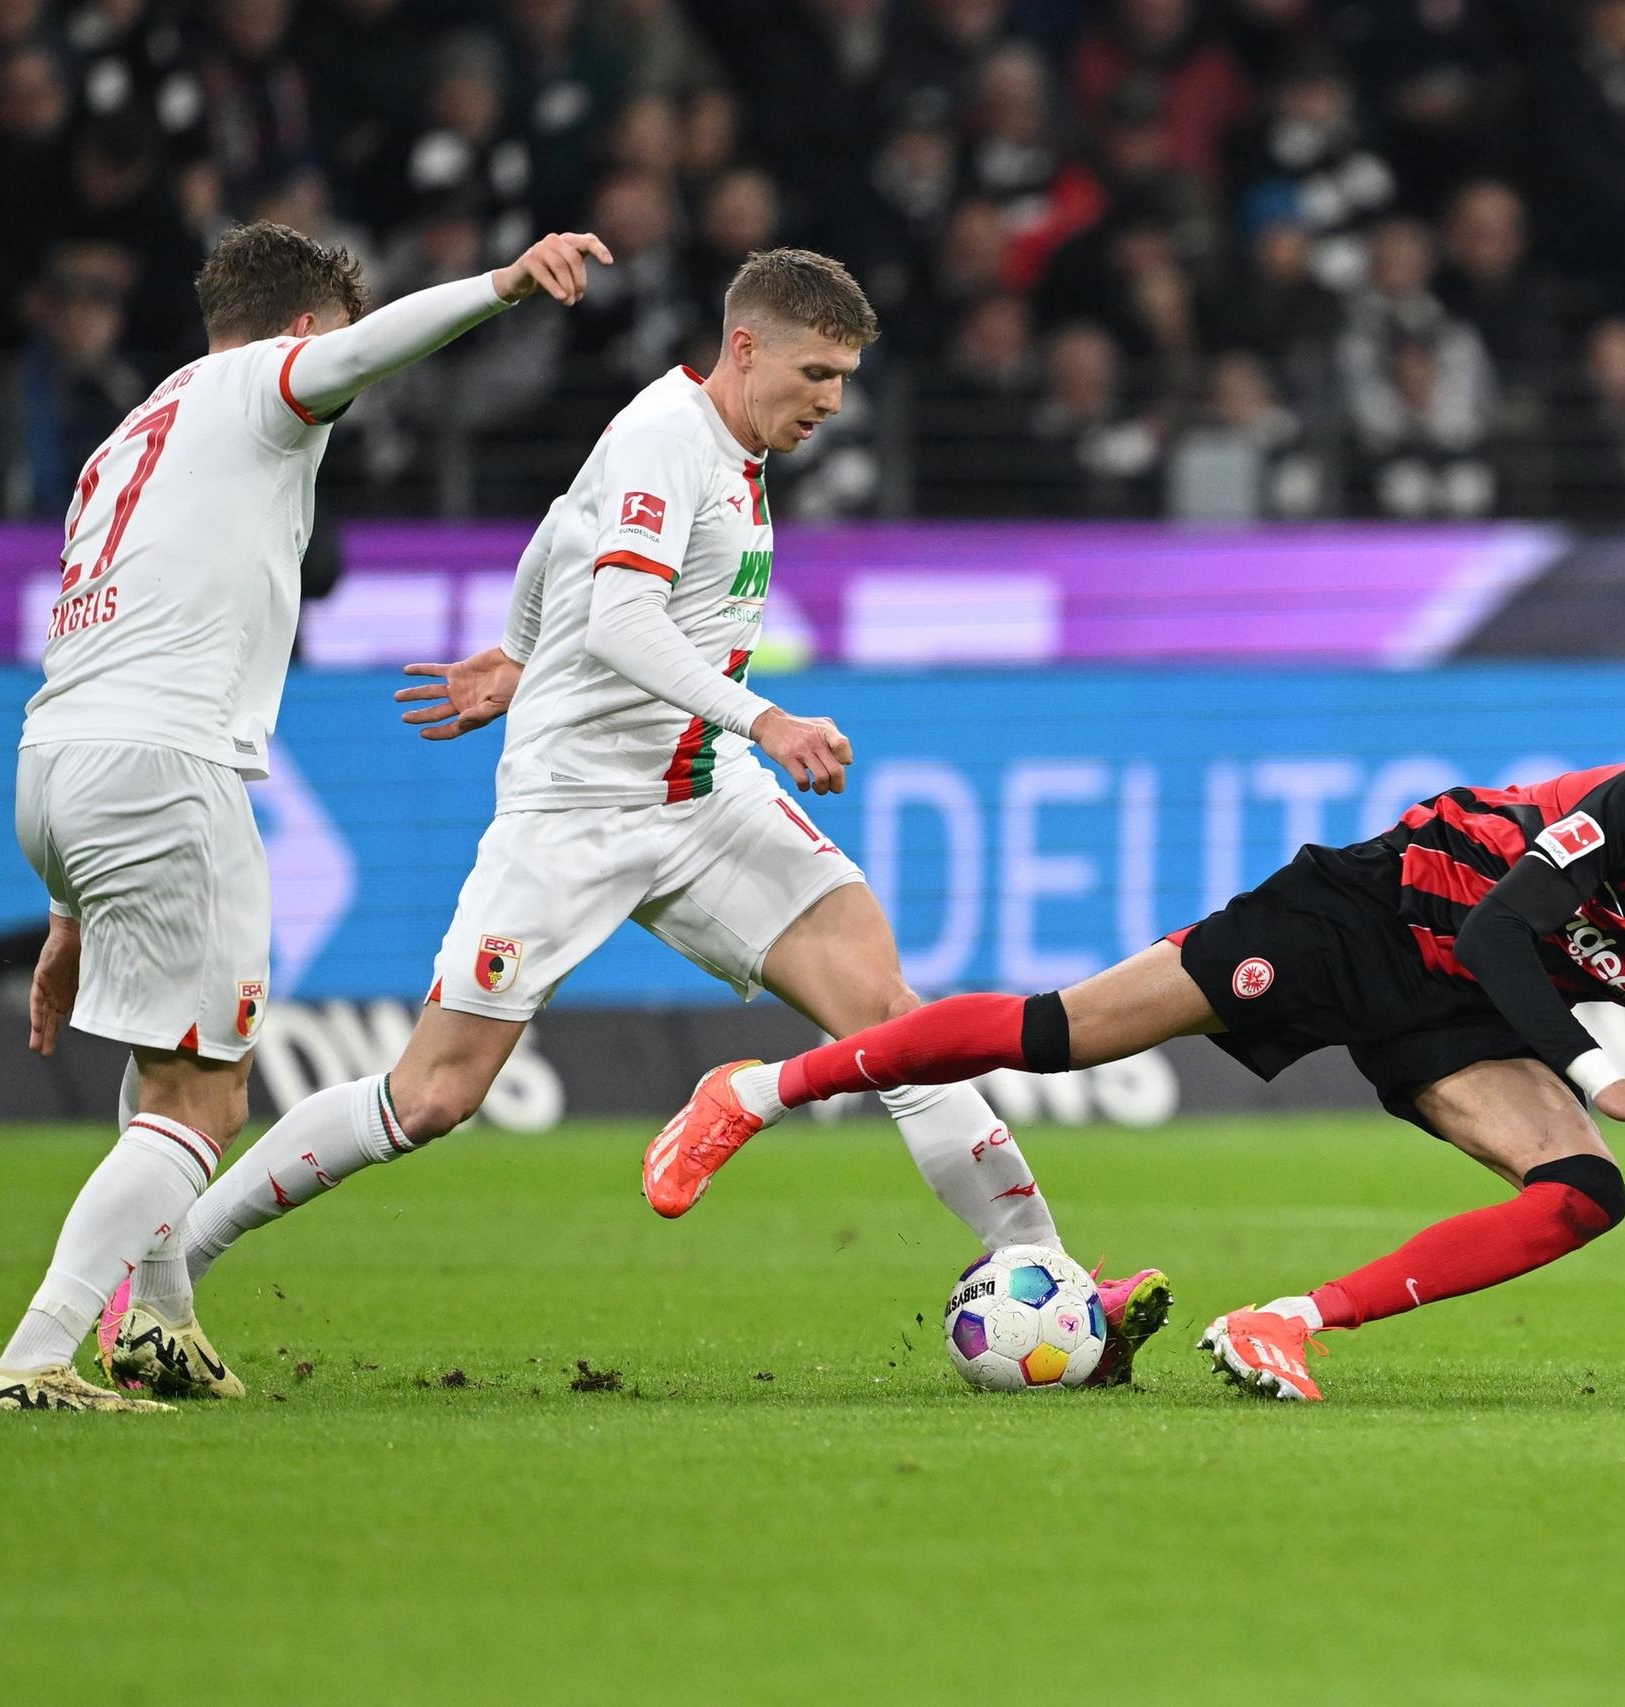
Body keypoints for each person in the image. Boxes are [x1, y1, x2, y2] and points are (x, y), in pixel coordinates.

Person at [118, 250, 1168, 1398]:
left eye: (848, 377)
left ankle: (1047, 1275)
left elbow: (559, 529)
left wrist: (518, 647)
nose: (833, 400)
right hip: (573, 813)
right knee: (432, 1096)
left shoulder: (728, 447)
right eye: (817, 371)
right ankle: (166, 1265)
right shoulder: (666, 437)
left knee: (894, 1022)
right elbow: (620, 617)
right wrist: (764, 716)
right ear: (749, 346)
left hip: (698, 797)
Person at [647, 763, 1625, 1406]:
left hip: (1465, 1008)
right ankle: (760, 1090)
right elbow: (1497, 924)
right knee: (1060, 1029)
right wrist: (1607, 1065)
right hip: (1366, 908)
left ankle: (1284, 1322)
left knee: (1586, 1188)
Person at [0, 220, 612, 1414]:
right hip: (167, 765)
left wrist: (69, 908)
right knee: (209, 1101)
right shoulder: (260, 386)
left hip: (57, 759)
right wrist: (501, 285)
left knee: (165, 1065)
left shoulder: (132, 435)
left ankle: (158, 1324)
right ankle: (36, 1355)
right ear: (302, 329)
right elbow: (360, 358)